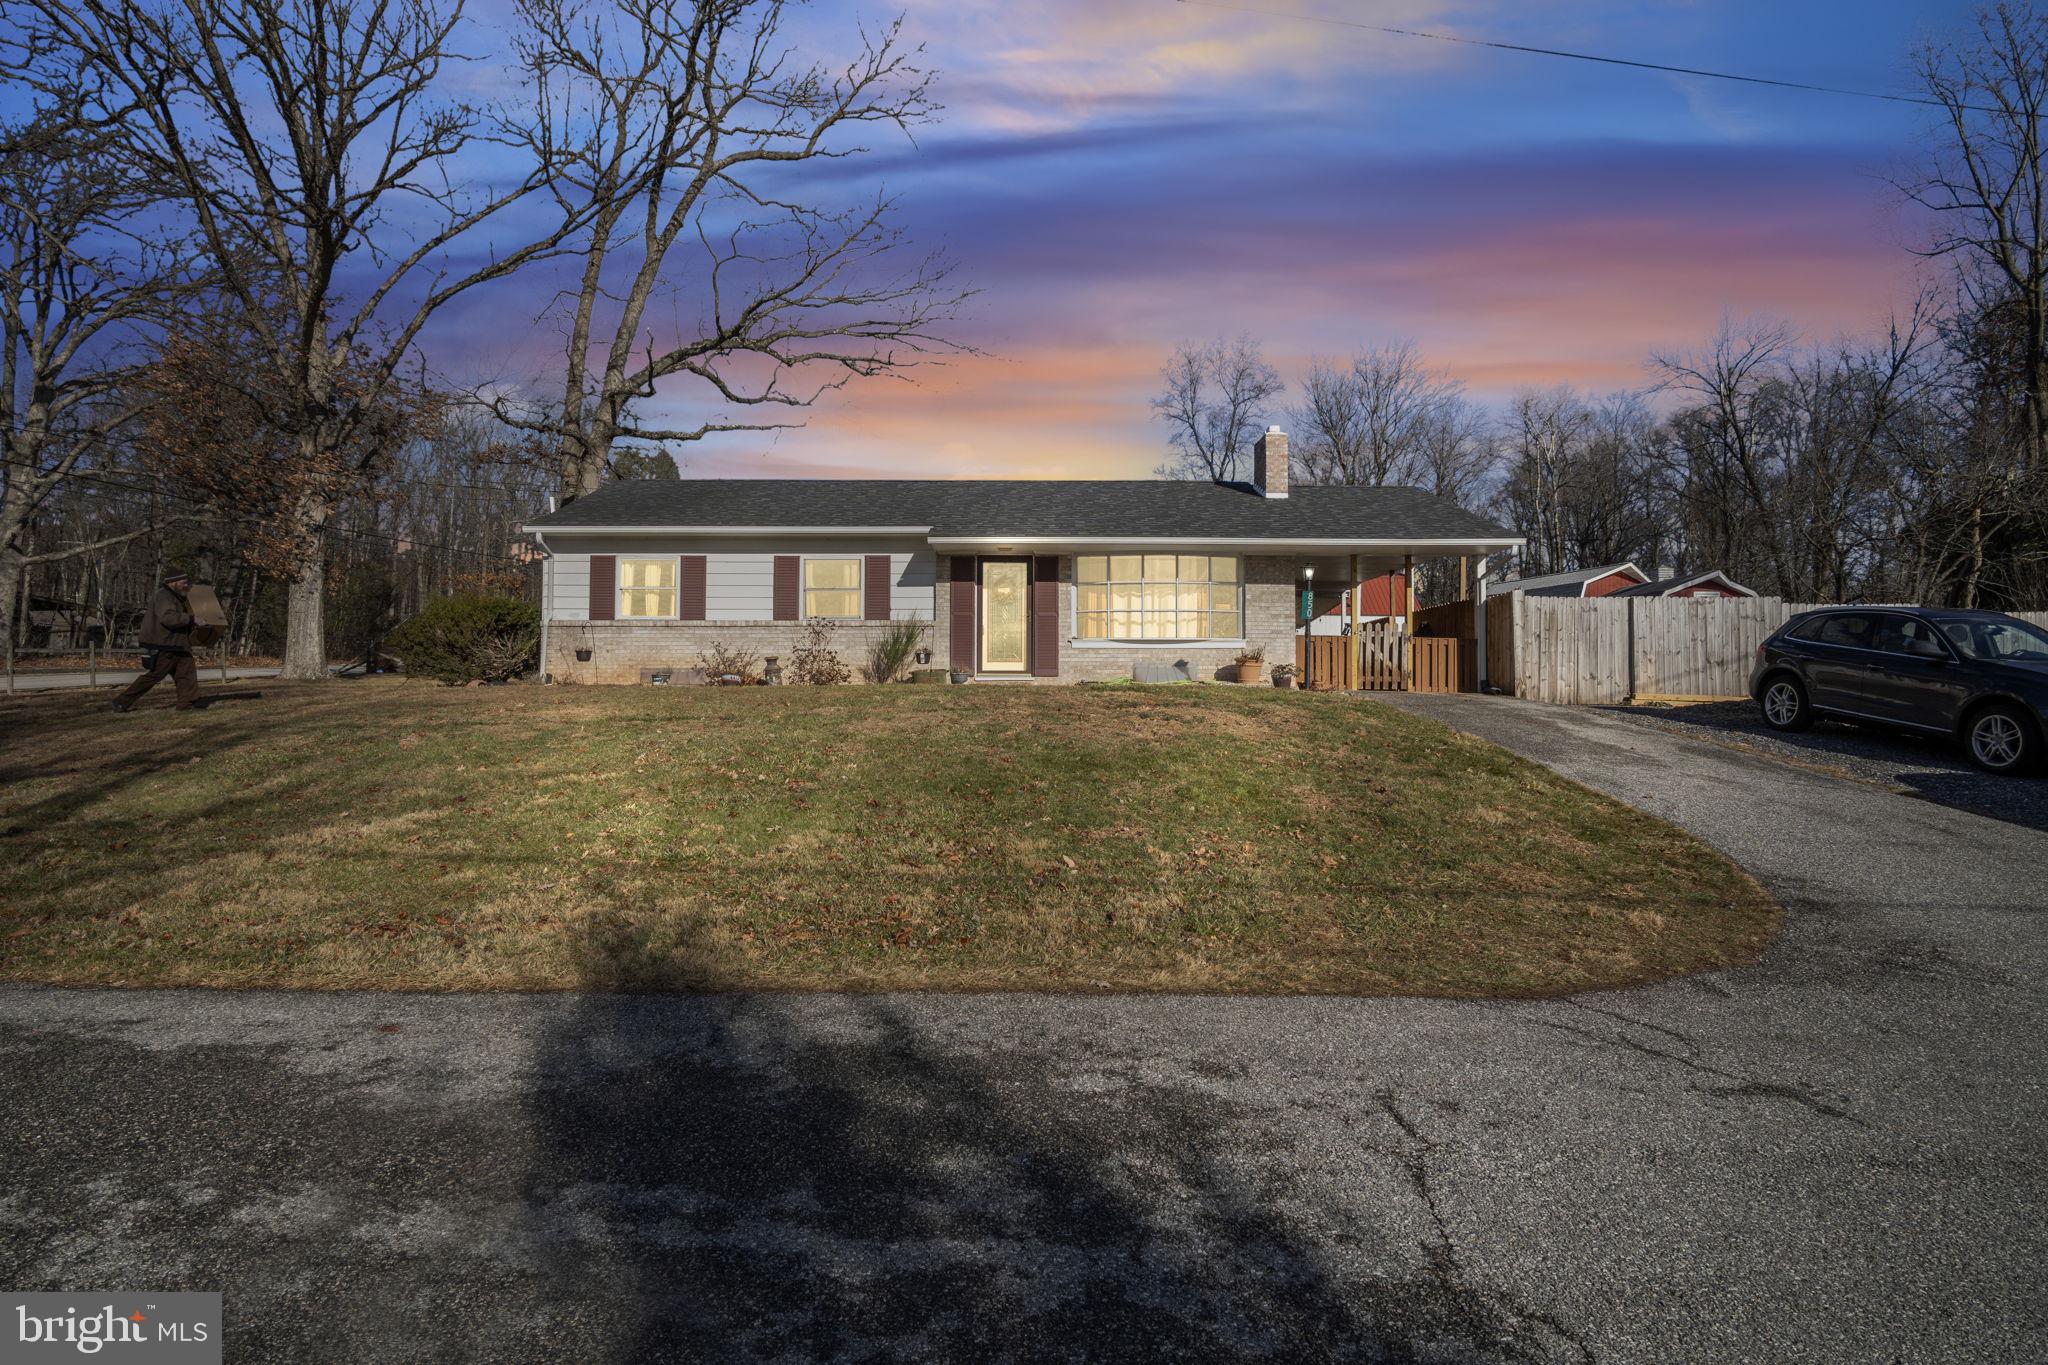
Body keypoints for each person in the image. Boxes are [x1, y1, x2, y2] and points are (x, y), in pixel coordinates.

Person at [113, 569, 202, 711]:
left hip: (178, 644)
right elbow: (169, 618)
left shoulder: (176, 597)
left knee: (187, 674)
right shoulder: (164, 596)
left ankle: (186, 704)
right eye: (183, 583)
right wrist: (191, 619)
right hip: (164, 644)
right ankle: (121, 702)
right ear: (172, 583)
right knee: (154, 676)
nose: (186, 585)